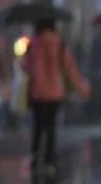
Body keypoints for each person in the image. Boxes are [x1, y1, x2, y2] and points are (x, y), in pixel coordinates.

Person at [22, 19, 90, 175]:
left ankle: (35, 157)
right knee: (51, 126)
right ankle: (49, 160)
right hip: (55, 93)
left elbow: (25, 68)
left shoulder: (33, 44)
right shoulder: (60, 45)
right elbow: (70, 70)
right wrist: (83, 89)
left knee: (38, 126)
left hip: (37, 92)